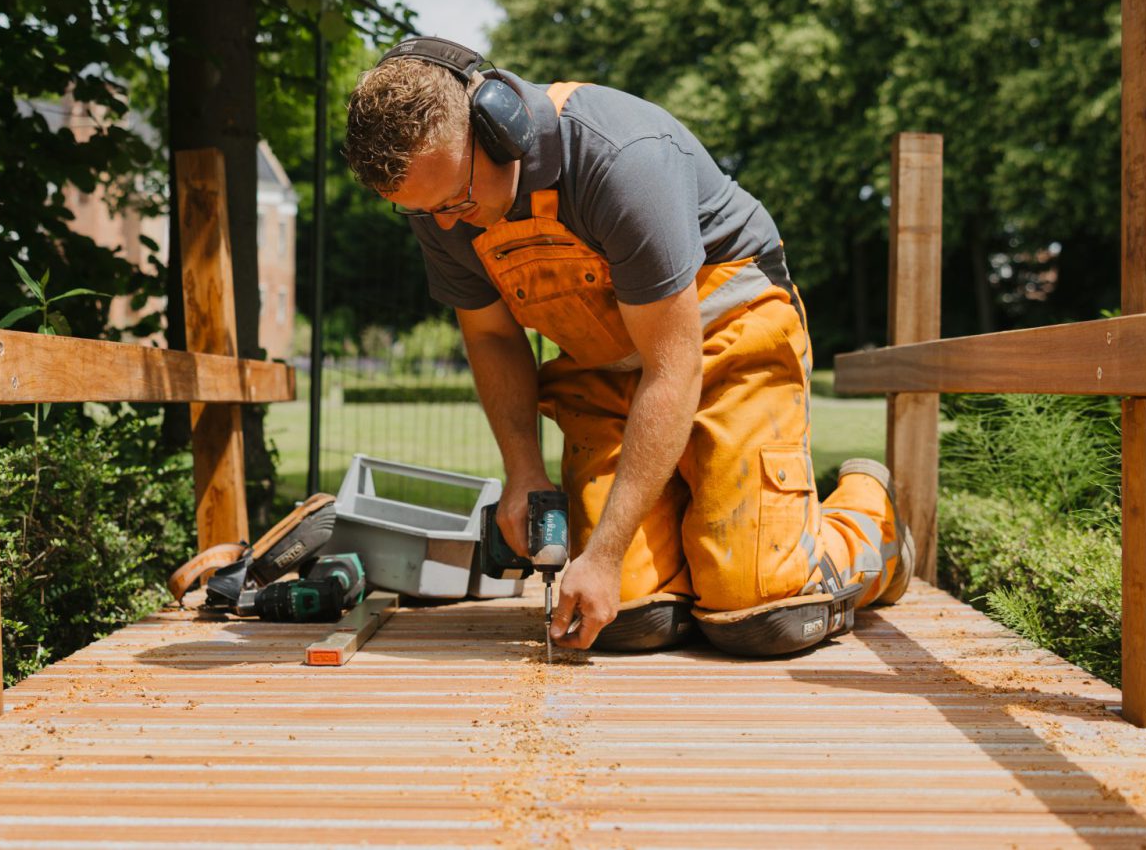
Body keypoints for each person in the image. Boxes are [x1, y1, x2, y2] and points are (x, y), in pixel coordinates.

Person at [344, 37, 910, 656]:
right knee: (627, 618)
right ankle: (707, 551)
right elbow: (492, 336)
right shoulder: (442, 203)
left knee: (760, 614)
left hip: (727, 346)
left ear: (499, 124)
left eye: (454, 200)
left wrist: (606, 550)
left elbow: (673, 368)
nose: (447, 224)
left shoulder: (621, 158)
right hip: (608, 371)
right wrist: (522, 472)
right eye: (422, 212)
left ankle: (870, 518)